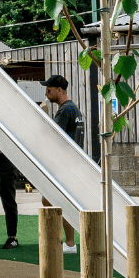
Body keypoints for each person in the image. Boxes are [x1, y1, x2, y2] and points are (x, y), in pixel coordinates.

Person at [43, 75, 81, 253]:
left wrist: (43, 115)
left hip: (65, 163)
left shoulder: (65, 110)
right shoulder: (74, 109)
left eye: (49, 90)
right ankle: (66, 241)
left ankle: (69, 243)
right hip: (72, 161)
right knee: (50, 199)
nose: (46, 94)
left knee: (58, 201)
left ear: (59, 90)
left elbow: (53, 135)